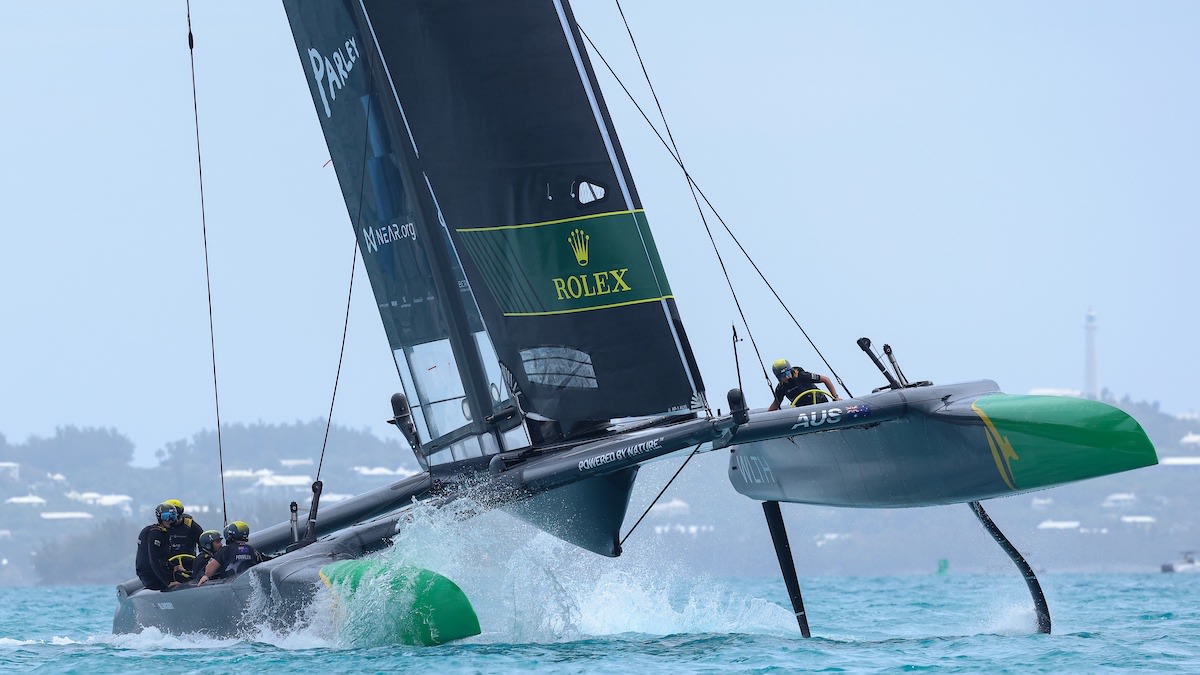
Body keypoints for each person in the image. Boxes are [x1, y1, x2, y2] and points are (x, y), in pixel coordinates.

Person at [135, 502, 182, 591]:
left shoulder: (164, 533)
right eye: (166, 517)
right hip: (151, 576)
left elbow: (165, 556)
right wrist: (168, 583)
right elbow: (154, 560)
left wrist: (175, 566)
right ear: (159, 517)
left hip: (158, 572)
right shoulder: (155, 534)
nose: (169, 520)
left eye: (172, 517)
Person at [198, 521, 262, 585]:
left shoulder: (225, 550)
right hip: (251, 584)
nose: (221, 544)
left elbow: (209, 571)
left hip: (231, 585)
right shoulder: (253, 550)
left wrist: (204, 576)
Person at [768, 358, 840, 411]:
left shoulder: (802, 376)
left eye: (787, 373)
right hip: (802, 411)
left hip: (819, 403)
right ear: (778, 378)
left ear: (790, 370)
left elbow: (826, 379)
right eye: (782, 376)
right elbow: (776, 404)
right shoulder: (781, 388)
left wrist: (835, 397)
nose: (787, 377)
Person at [164, 498, 204, 582]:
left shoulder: (191, 526)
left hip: (189, 565)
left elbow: (203, 544)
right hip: (168, 567)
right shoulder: (162, 528)